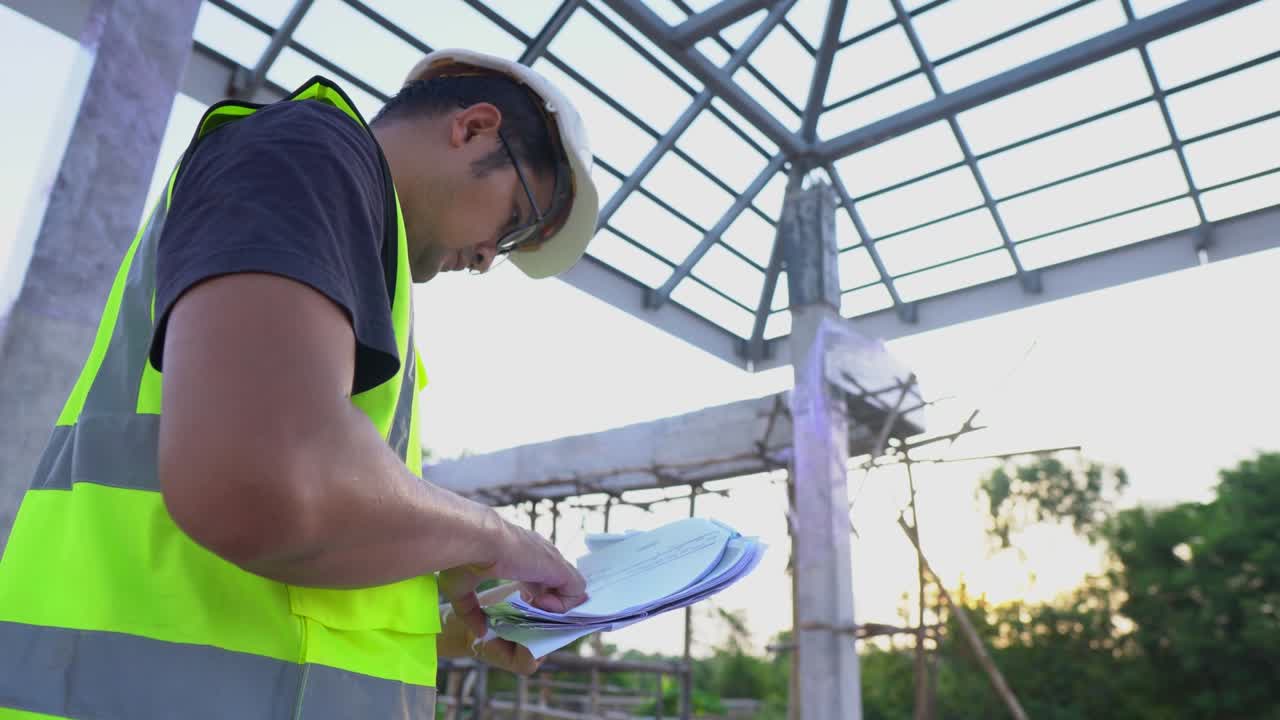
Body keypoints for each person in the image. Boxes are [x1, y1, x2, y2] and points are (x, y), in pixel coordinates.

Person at [0, 48, 599, 719]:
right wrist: (493, 536)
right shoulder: (305, 151)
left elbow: (294, 571)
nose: (491, 258)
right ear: (474, 128)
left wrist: (450, 626)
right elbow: (259, 483)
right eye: (514, 219)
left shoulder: (362, 275)